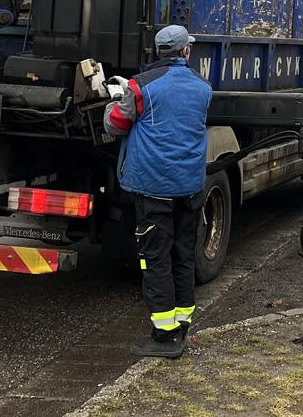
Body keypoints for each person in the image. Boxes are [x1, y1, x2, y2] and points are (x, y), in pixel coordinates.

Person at [104, 24, 213, 359]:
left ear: (157, 52)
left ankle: (163, 335)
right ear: (185, 51)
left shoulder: (141, 87)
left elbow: (115, 125)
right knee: (183, 253)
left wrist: (114, 103)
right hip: (190, 187)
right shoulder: (203, 87)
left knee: (156, 258)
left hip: (153, 187)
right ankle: (182, 322)